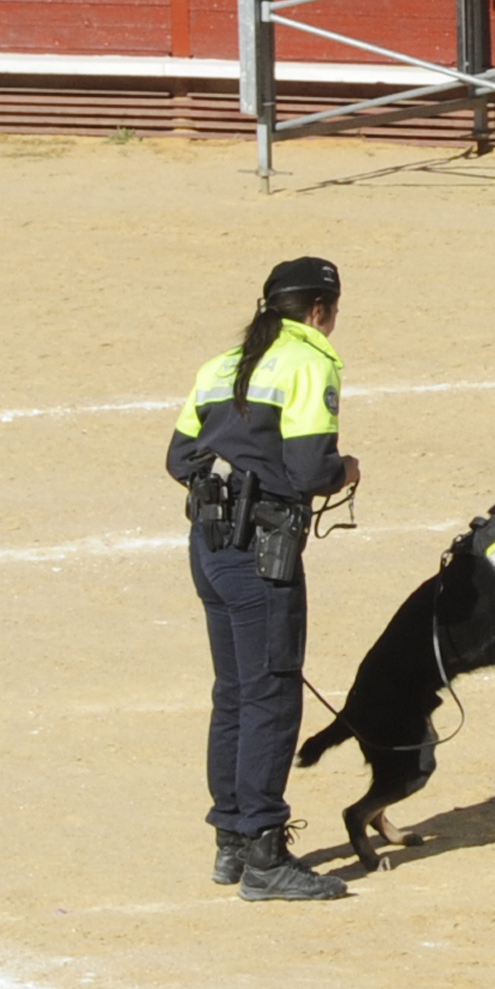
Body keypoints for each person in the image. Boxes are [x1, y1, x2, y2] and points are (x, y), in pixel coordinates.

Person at [165, 255, 358, 903]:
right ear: (318, 310)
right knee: (271, 694)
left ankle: (231, 841)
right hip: (261, 553)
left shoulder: (221, 365)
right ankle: (265, 852)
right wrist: (346, 470)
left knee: (234, 693)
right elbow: (309, 471)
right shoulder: (310, 362)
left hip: (209, 546)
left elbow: (178, 459)